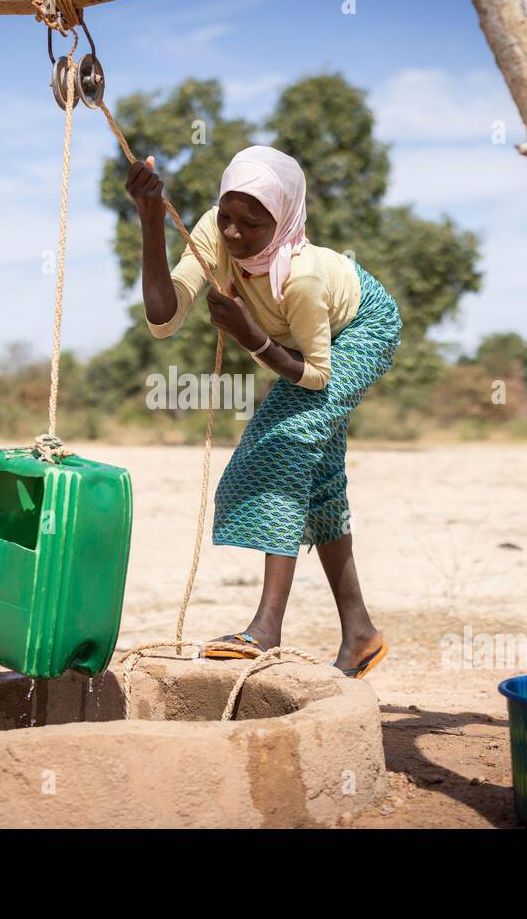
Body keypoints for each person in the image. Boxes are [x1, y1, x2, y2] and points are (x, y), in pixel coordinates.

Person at [125, 145, 402, 679]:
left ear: (284, 219)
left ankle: (265, 630)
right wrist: (151, 219)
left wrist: (251, 336)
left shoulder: (302, 277)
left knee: (282, 445)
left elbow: (316, 374)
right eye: (226, 216)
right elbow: (164, 316)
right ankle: (360, 635)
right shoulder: (214, 229)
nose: (232, 233)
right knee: (319, 482)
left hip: (362, 326)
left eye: (251, 224)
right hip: (310, 345)